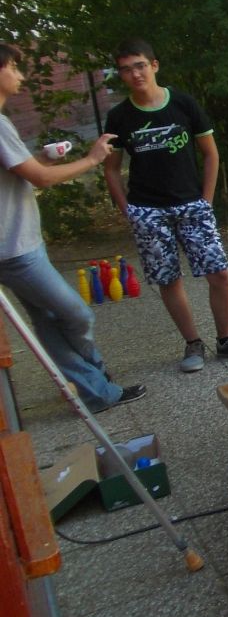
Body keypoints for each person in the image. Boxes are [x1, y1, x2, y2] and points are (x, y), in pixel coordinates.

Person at [0, 44, 144, 412]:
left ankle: (97, 392)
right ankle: (97, 380)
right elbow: (42, 180)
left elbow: (25, 172)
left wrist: (43, 157)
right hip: (14, 250)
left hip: (22, 242)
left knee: (49, 321)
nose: (20, 74)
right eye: (13, 67)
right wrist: (92, 159)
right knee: (76, 313)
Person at [103, 38, 228, 374]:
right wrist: (128, 210)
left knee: (220, 274)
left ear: (154, 65)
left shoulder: (182, 103)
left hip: (191, 203)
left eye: (140, 65)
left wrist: (205, 200)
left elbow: (210, 153)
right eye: (125, 69)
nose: (134, 74)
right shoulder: (119, 117)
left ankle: (226, 339)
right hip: (147, 209)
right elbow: (110, 168)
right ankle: (192, 342)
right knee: (168, 279)